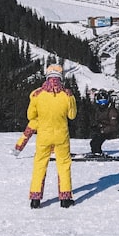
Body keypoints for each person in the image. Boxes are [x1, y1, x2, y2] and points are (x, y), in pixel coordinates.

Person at [27, 63, 77, 209]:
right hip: (61, 135)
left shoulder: (37, 94)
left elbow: (30, 115)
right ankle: (65, 198)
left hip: (44, 135)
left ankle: (35, 199)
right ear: (61, 76)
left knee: (40, 165)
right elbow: (72, 115)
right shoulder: (66, 95)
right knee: (64, 165)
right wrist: (71, 99)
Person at [90, 90, 119, 156]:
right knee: (93, 143)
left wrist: (103, 130)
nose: (103, 104)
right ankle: (96, 152)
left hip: (110, 130)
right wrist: (96, 126)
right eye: (101, 101)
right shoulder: (99, 110)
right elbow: (99, 120)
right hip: (103, 129)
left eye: (104, 101)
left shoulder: (112, 111)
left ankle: (97, 153)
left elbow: (114, 125)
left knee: (97, 142)